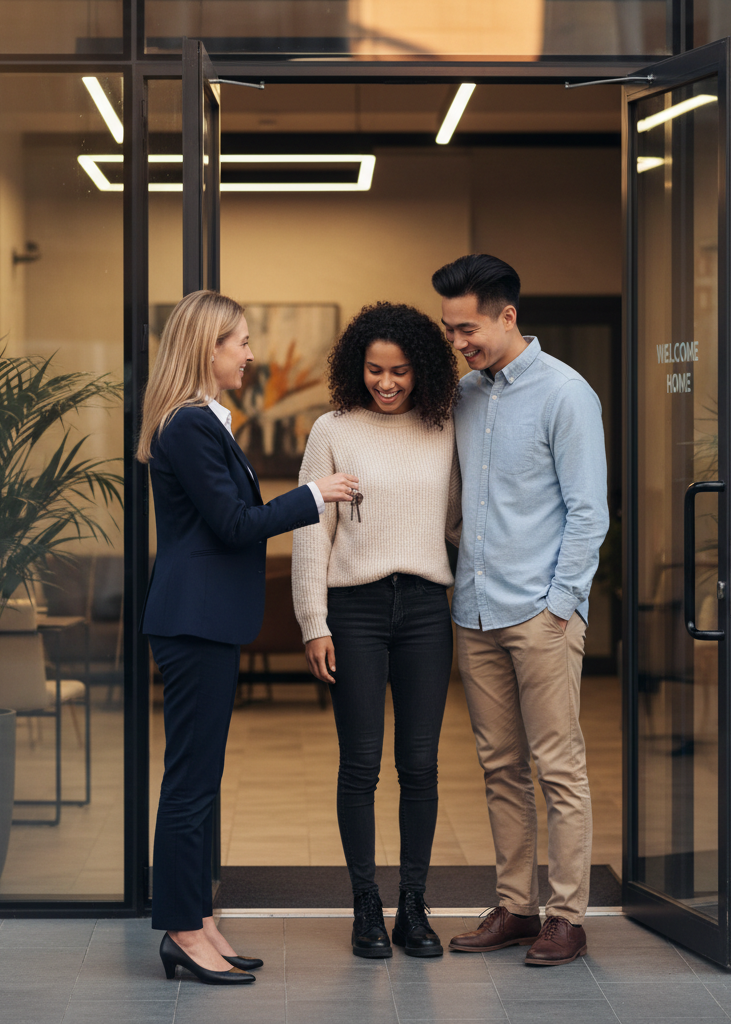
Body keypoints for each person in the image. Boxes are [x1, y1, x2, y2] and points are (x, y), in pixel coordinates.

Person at [137, 289, 358, 985]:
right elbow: (234, 524)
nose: (251, 355)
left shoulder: (202, 421)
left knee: (201, 779)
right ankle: (182, 930)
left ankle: (199, 921)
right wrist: (316, 494)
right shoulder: (187, 425)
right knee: (190, 783)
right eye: (239, 342)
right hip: (194, 622)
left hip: (204, 621)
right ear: (206, 348)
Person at [432, 255, 608, 966]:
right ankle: (515, 906)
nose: (458, 342)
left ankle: (566, 916)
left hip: (540, 615)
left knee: (558, 768)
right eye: (449, 330)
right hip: (474, 613)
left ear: (507, 316)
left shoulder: (566, 393)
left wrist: (560, 606)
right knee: (500, 767)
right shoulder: (464, 396)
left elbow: (589, 512)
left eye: (467, 329)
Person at [292, 301, 461, 959]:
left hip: (425, 610)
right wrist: (313, 622)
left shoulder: (444, 427)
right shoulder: (331, 429)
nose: (386, 383)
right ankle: (366, 904)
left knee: (419, 764)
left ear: (422, 370)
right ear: (355, 367)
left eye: (399, 371)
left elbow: (457, 521)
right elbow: (312, 532)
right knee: (360, 764)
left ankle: (413, 906)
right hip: (353, 612)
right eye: (374, 370)